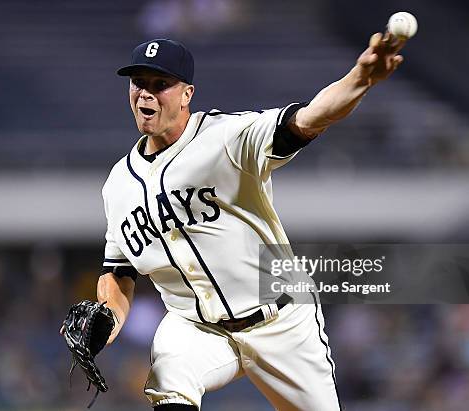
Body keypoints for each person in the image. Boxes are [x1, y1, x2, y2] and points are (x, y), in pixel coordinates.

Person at [98, 35, 405, 410]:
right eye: (138, 83)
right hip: (197, 327)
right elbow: (118, 270)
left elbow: (309, 118)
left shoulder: (225, 137)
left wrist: (360, 78)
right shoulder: (118, 185)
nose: (146, 94)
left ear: (187, 94)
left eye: (160, 85)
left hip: (282, 319)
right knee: (169, 378)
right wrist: (108, 316)